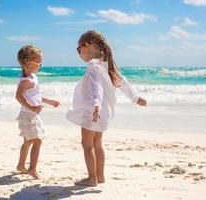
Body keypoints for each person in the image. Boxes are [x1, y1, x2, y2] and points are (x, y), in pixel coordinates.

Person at [66, 31, 147, 186]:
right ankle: (100, 176)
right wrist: (135, 98)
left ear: (88, 45)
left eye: (79, 49)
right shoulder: (109, 67)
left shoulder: (94, 67)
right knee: (97, 144)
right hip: (104, 113)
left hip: (93, 111)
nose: (79, 53)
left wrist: (95, 105)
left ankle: (91, 178)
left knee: (87, 145)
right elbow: (123, 83)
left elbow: (96, 88)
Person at [15, 45, 60, 179]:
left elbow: (36, 95)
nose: (40, 65)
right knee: (37, 140)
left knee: (28, 141)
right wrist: (32, 108)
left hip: (30, 114)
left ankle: (21, 165)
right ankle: (32, 169)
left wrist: (49, 101)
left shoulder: (33, 76)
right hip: (29, 115)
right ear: (27, 62)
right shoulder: (26, 80)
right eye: (39, 63)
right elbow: (18, 96)